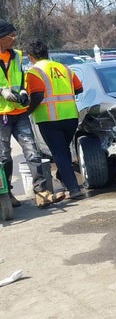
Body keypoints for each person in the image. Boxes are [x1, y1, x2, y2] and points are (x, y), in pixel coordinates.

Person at [0, 20, 65, 208]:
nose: (14, 39)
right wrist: (2, 91)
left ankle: (42, 193)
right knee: (3, 156)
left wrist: (22, 91)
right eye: (11, 36)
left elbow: (21, 77)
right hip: (2, 114)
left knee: (32, 152)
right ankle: (7, 193)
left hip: (19, 112)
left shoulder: (18, 56)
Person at [24, 39, 84, 201]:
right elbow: (79, 88)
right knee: (63, 151)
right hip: (71, 117)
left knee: (59, 153)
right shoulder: (64, 68)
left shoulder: (34, 72)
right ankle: (64, 177)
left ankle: (74, 189)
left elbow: (37, 95)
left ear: (30, 57)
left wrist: (27, 111)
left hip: (49, 118)